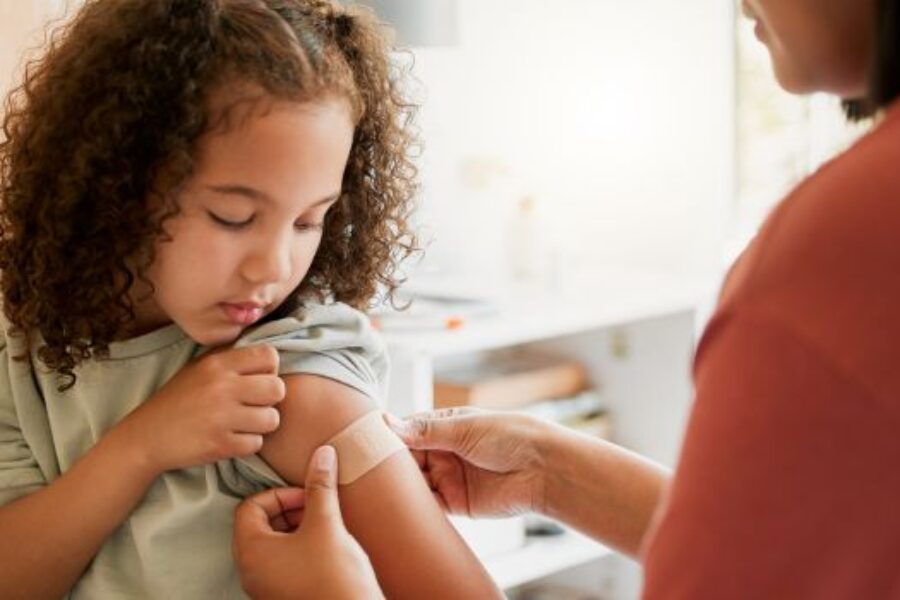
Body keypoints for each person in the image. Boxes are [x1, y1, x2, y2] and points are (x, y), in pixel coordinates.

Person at [233, 0, 900, 597]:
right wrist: (548, 471)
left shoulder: (844, 242)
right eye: (234, 216)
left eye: (308, 221)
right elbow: (785, 555)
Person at [0, 1, 503, 598]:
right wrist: (139, 447)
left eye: (309, 222)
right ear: (123, 182)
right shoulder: (25, 339)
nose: (274, 268)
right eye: (233, 217)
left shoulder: (291, 385)